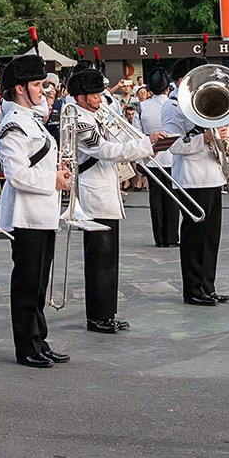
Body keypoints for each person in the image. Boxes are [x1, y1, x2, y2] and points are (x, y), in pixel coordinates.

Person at [0, 52, 70, 364]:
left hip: (42, 213)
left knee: (39, 284)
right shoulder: (14, 124)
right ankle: (27, 346)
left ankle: (40, 340)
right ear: (20, 88)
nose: (43, 90)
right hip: (27, 215)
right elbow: (17, 175)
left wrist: (56, 170)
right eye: (37, 85)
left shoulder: (31, 120)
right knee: (27, 284)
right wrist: (53, 179)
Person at [70, 66, 151, 333]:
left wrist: (143, 144)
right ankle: (97, 316)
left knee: (109, 259)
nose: (99, 100)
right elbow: (103, 150)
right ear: (81, 97)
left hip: (105, 191)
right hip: (94, 196)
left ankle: (107, 312)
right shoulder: (79, 121)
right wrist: (144, 144)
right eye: (95, 96)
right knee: (99, 260)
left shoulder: (95, 116)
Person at [148, 75, 229, 305]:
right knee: (195, 238)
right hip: (192, 178)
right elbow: (174, 145)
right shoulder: (173, 106)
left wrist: (221, 137)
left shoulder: (202, 100)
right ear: (183, 79)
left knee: (211, 237)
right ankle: (193, 290)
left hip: (212, 175)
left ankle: (208, 286)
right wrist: (205, 138)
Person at [137, 69, 182, 247]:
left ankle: (159, 238)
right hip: (173, 155)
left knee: (155, 198)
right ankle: (171, 238)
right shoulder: (175, 105)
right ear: (167, 88)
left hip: (152, 156)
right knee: (172, 198)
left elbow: (137, 133)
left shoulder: (142, 107)